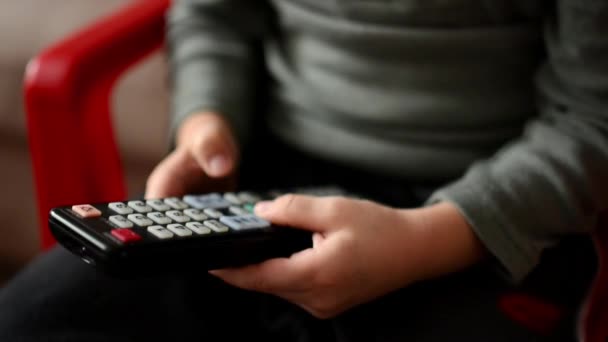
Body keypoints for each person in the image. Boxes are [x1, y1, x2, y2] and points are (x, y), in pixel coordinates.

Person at [0, 0, 606, 341]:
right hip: (265, 180)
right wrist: (207, 124)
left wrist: (430, 240)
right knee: (31, 320)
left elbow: (591, 118)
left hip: (483, 218)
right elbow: (214, 17)